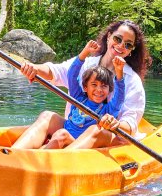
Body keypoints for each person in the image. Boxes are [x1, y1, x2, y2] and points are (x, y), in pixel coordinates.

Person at [10, 19, 150, 151]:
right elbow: (58, 72)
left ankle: (54, 162)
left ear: (132, 50)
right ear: (109, 37)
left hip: (107, 138)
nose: (121, 46)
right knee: (47, 116)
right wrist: (35, 68)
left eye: (128, 44)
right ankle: (12, 154)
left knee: (96, 129)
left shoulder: (132, 81)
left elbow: (130, 125)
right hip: (75, 128)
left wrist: (115, 123)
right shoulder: (88, 64)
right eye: (117, 39)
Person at [41, 40, 127, 149]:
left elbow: (120, 96)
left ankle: (48, 159)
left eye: (104, 86)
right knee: (60, 133)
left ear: (109, 90)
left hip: (83, 146)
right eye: (94, 84)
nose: (99, 89)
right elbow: (72, 74)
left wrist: (119, 71)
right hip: (66, 139)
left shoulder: (108, 109)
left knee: (60, 134)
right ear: (85, 87)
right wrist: (85, 52)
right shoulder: (78, 97)